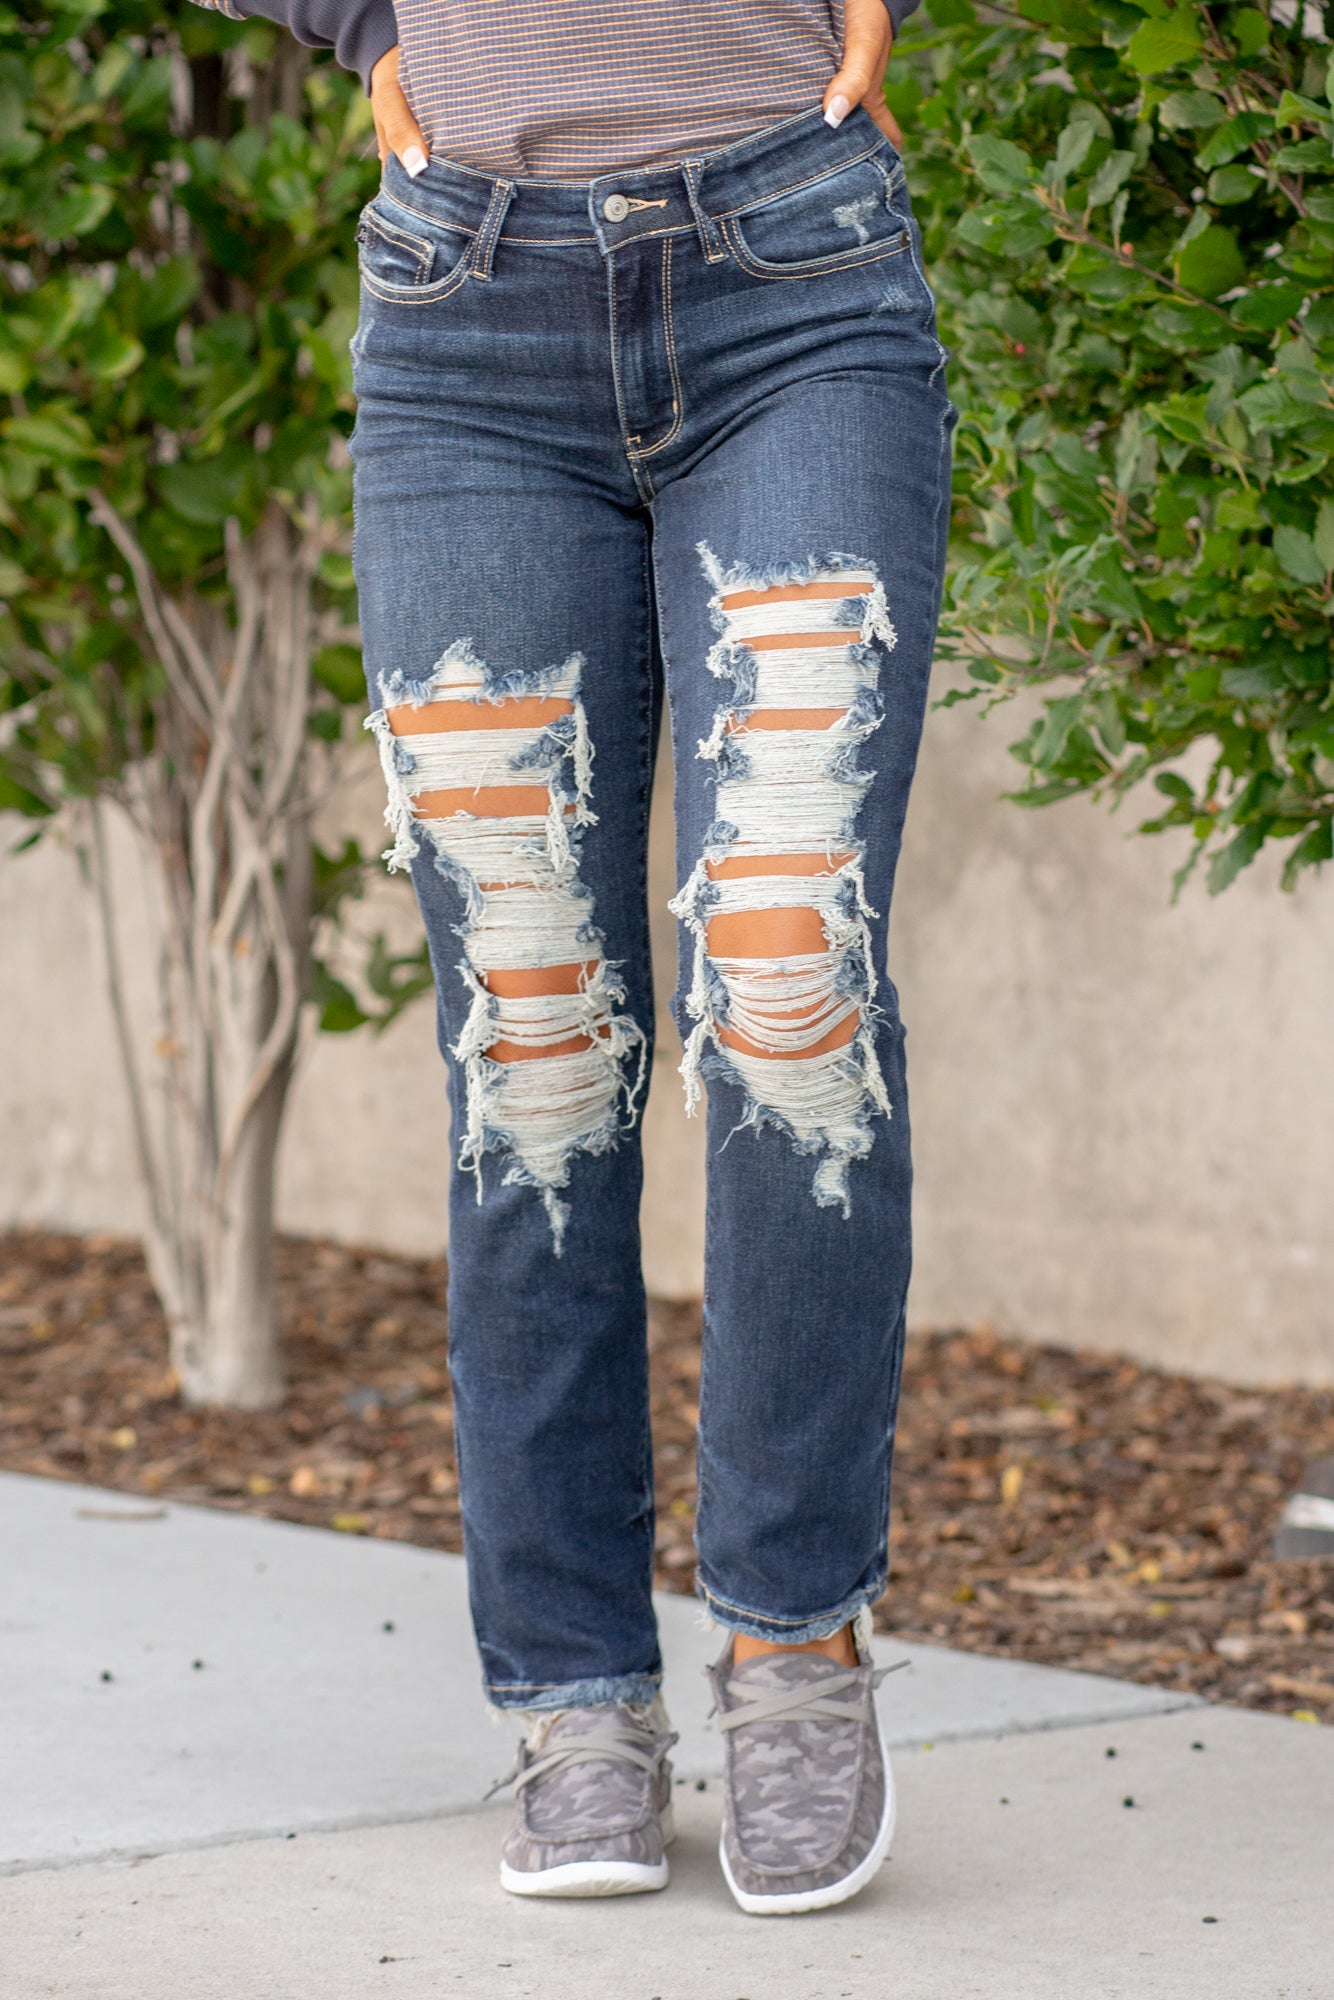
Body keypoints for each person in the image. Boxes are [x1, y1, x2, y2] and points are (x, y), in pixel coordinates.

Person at [189, 0, 951, 1914]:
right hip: (468, 322)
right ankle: (573, 1691)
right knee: (530, 1031)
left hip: (799, 286)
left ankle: (794, 1641)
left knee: (787, 976)